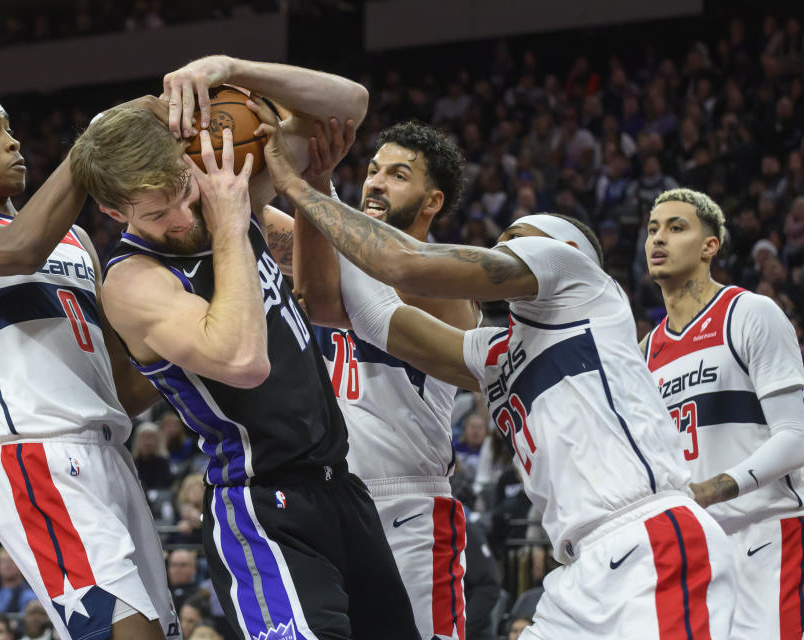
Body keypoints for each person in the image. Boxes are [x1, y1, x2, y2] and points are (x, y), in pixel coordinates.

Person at [252, 104, 738, 639]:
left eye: (519, 240)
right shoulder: (496, 352)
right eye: (502, 243)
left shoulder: (581, 285)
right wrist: (278, 193)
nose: (503, 251)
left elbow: (402, 265)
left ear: (563, 251)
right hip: (578, 569)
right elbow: (376, 315)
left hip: (649, 537)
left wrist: (301, 187)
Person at [68, 55, 419, 640]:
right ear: (113, 212)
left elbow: (348, 104)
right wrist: (233, 224)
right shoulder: (134, 281)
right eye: (157, 213)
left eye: (185, 191)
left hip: (340, 488)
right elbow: (242, 362)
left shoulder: (217, 185)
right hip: (260, 506)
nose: (185, 216)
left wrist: (232, 67)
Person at [0, 84, 179, 640]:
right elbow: (18, 249)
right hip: (39, 459)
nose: (13, 141)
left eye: (8, 128)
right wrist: (97, 138)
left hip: (113, 458)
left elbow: (124, 389)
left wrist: (202, 336)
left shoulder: (74, 238)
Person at [285, 119, 478, 640]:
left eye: (397, 175)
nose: (374, 182)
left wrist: (309, 185)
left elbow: (321, 300)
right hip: (335, 500)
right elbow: (286, 245)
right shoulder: (341, 255)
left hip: (409, 506)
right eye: (372, 170)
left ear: (431, 201)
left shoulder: (438, 275)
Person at [642, 187, 804, 639]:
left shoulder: (750, 314)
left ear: (710, 246)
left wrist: (713, 490)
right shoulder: (646, 353)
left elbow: (796, 436)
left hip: (768, 533)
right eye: (653, 229)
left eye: (677, 228)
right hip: (695, 549)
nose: (659, 239)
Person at [0, 548, 37, 614]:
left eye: (12, 561)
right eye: (3, 561)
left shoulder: (29, 597)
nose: (8, 565)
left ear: (22, 566)